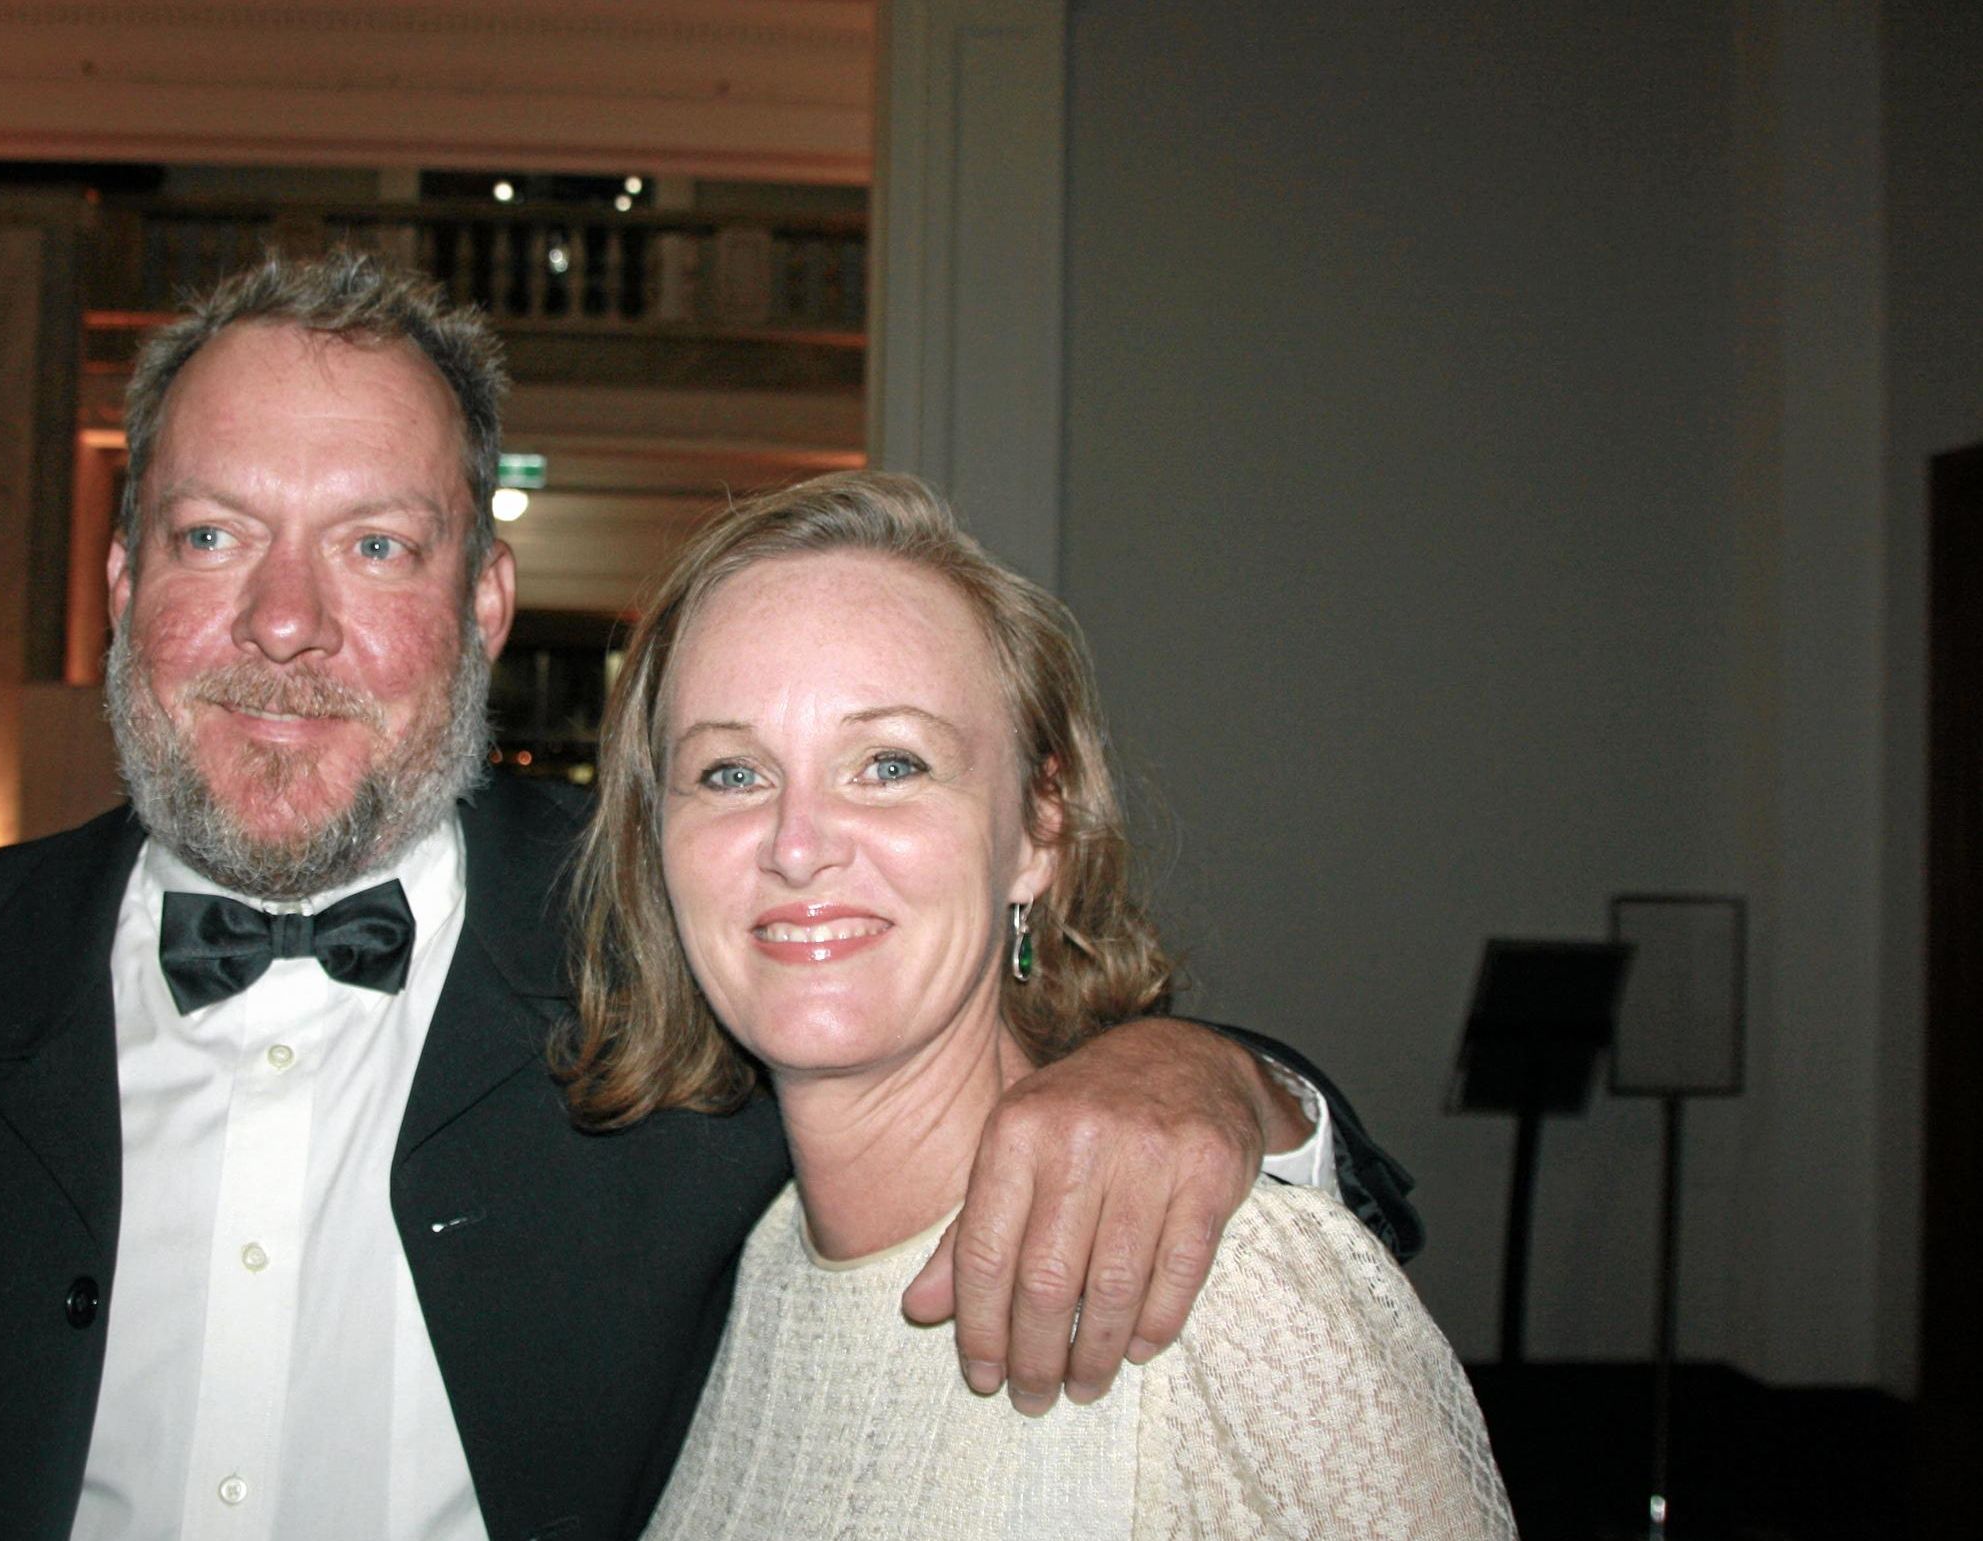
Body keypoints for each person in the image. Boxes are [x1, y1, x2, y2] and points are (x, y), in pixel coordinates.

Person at [0, 253, 1417, 1541]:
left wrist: (1201, 1073)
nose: (282, 622)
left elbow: (946, 1016)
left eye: (377, 546)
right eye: (211, 535)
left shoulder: (682, 949)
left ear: (487, 601)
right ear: (117, 576)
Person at [561, 471, 1511, 1539]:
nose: (797, 842)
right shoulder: (753, 1271)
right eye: (731, 773)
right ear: (658, 842)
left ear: (1039, 828)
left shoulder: (1216, 1282)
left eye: (889, 762)